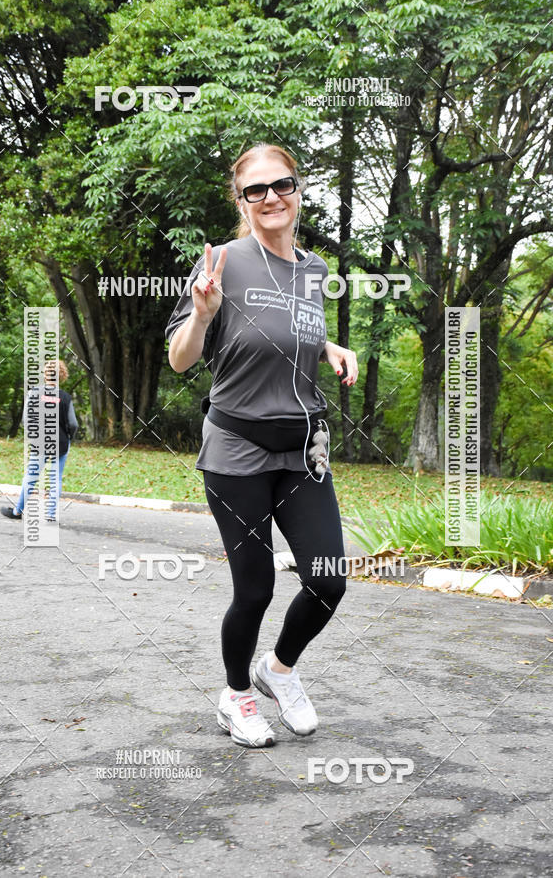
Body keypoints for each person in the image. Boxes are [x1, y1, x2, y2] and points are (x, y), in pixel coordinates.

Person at [165, 143, 358, 748]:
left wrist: (328, 347)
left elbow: (290, 330)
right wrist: (203, 315)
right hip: (238, 449)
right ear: (242, 200)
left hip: (303, 449)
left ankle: (278, 670)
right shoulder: (222, 263)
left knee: (328, 579)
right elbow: (179, 360)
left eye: (282, 185)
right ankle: (236, 696)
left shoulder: (314, 269)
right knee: (255, 589)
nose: (271, 197)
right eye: (256, 190)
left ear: (298, 190)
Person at [0, 359, 78, 522]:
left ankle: (17, 511)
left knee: (31, 476)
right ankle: (50, 515)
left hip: (40, 442)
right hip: (60, 443)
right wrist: (69, 437)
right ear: (62, 376)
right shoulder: (65, 397)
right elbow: (73, 424)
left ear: (45, 374)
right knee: (55, 479)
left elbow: (26, 420)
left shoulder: (34, 393)